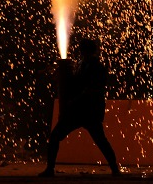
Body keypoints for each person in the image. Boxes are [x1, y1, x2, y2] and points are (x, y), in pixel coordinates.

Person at [39, 38, 119, 177]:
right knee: (99, 140)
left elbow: (92, 89)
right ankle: (115, 169)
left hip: (88, 111)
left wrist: (74, 100)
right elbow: (77, 83)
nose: (82, 53)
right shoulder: (83, 65)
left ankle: (115, 169)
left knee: (99, 140)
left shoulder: (96, 67)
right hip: (80, 111)